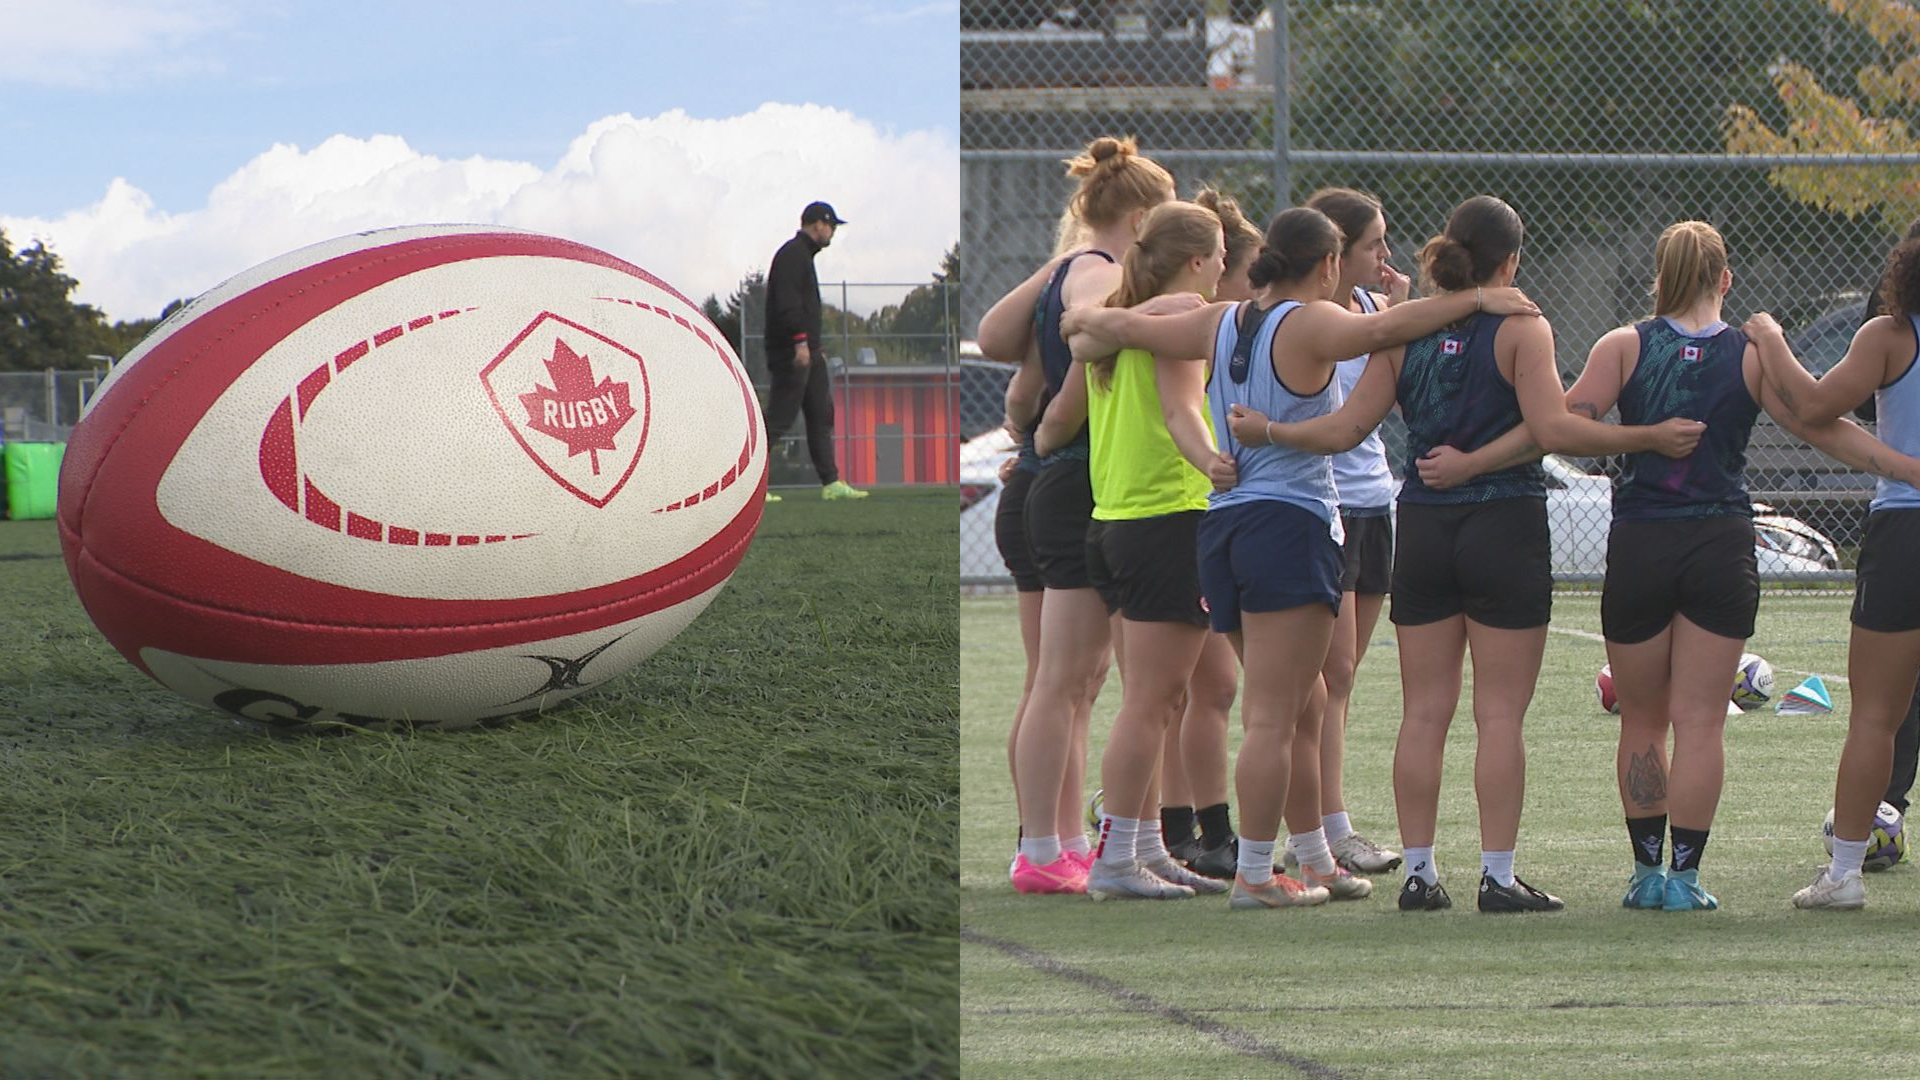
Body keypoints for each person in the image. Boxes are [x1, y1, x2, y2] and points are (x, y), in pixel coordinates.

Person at [1242, 196, 1708, 913]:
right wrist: (1646, 438)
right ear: (1511, 261)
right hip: (1504, 526)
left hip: (1425, 526)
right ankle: (1497, 876)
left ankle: (1421, 875)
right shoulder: (1522, 327)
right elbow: (1553, 428)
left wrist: (1268, 431)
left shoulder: (1405, 332)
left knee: (1422, 712)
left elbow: (1346, 428)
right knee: (1499, 716)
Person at [1065, 205, 1540, 910]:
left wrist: (1086, 322)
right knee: (1273, 715)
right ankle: (1256, 874)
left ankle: (1312, 853)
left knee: (1305, 700)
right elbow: (1383, 329)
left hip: (1223, 529)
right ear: (1325, 265)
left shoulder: (1217, 318)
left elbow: (1120, 327)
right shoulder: (1309, 319)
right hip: (1287, 525)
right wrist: (1474, 299)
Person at [1035, 199, 1234, 899]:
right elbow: (1182, 411)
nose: (1224, 267)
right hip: (1163, 518)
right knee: (1151, 702)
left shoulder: (1120, 318)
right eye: (1218, 254)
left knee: (1153, 698)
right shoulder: (1179, 315)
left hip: (1115, 521)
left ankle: (1145, 846)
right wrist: (1216, 464)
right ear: (1196, 260)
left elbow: (1070, 396)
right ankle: (1117, 858)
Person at [1000, 137, 1177, 895]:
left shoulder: (1074, 265)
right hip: (1069, 483)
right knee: (1062, 680)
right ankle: (1041, 847)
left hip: (1056, 481)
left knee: (1072, 681)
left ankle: (1061, 837)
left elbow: (1003, 341)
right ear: (1138, 219)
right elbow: (1081, 322)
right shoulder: (1098, 272)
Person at [1742, 228, 1920, 909]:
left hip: (1906, 529)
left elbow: (1815, 404)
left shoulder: (1888, 336)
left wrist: (1770, 336)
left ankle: (1844, 875)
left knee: (1875, 715)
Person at [1280, 186, 1408, 878]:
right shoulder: (1304, 320)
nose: (1384, 256)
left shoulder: (1373, 310)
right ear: (1335, 253)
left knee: (1345, 674)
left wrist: (1402, 304)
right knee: (1320, 680)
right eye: (1372, 245)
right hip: (1319, 505)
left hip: (1371, 503)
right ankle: (1324, 827)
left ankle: (1329, 822)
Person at [763, 200, 868, 502]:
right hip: (791, 351)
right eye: (830, 225)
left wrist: (814, 347)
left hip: (809, 350)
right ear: (817, 224)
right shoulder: (792, 255)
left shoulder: (804, 257)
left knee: (821, 415)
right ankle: (750, 483)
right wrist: (799, 342)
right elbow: (788, 304)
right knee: (780, 417)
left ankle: (831, 483)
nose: (832, 232)